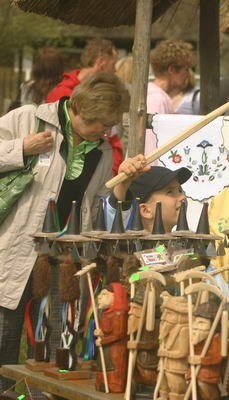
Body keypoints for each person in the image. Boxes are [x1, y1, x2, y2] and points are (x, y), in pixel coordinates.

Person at [0, 72, 129, 390]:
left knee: (52, 354)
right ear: (82, 109)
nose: (105, 131)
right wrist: (21, 147)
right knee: (4, 339)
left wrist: (123, 182)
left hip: (63, 263)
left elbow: (97, 205)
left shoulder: (102, 152)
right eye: (101, 122)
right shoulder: (30, 119)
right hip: (14, 254)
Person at [45, 38, 122, 175]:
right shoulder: (62, 93)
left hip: (103, 175)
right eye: (113, 64)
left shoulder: (107, 97)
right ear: (101, 62)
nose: (115, 70)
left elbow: (112, 139)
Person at [108, 159, 190, 232]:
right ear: (146, 210)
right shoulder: (132, 246)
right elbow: (115, 212)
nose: (183, 197)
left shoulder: (182, 244)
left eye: (180, 190)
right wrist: (123, 185)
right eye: (170, 192)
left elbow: (160, 249)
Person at [146, 39, 195, 154]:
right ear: (171, 69)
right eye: (186, 69)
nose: (188, 74)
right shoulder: (156, 99)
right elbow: (151, 146)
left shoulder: (155, 95)